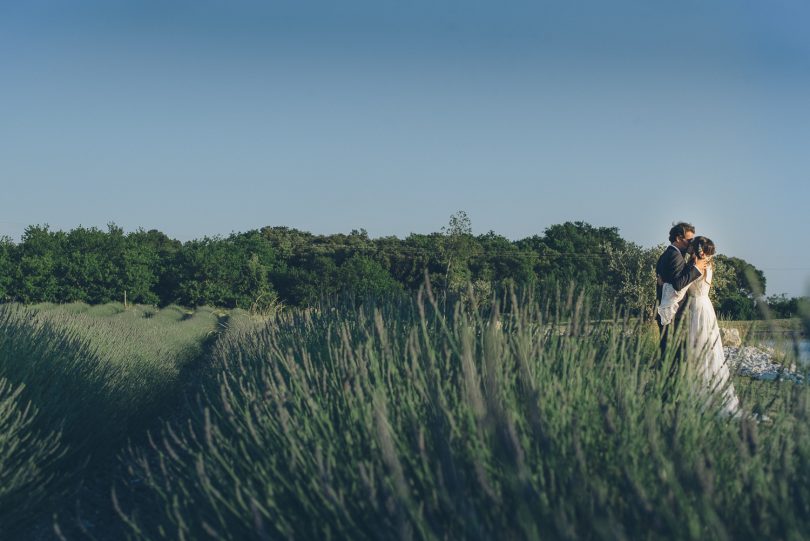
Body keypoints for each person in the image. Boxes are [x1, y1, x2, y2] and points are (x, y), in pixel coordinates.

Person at [658, 236, 741, 417]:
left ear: (697, 250)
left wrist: (664, 285)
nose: (689, 248)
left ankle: (698, 395)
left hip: (696, 309)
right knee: (707, 350)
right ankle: (704, 392)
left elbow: (680, 289)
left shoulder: (696, 266)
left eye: (692, 247)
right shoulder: (709, 265)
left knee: (695, 350)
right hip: (706, 308)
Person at [655, 222, 706, 361]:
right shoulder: (675, 256)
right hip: (673, 313)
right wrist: (697, 269)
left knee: (669, 351)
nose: (692, 243)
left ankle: (667, 378)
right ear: (678, 238)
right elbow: (678, 284)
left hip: (668, 311)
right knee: (674, 353)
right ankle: (670, 379)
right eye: (689, 240)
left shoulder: (669, 253)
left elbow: (672, 280)